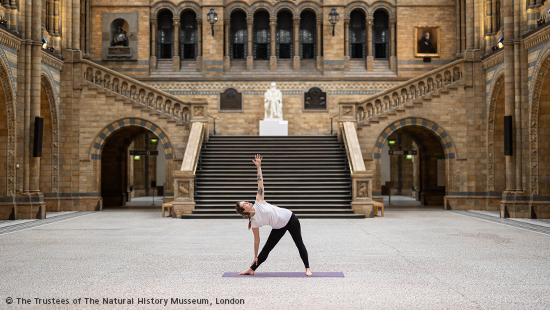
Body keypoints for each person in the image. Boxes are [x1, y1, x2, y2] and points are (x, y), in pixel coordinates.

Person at [235, 154, 312, 276]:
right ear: (244, 210)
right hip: (278, 227)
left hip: (290, 219)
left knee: (299, 244)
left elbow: (260, 182)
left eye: (245, 201)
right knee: (267, 249)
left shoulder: (258, 201)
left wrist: (258, 167)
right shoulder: (254, 222)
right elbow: (257, 240)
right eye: (244, 204)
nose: (247, 202)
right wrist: (255, 256)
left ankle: (307, 268)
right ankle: (251, 269)